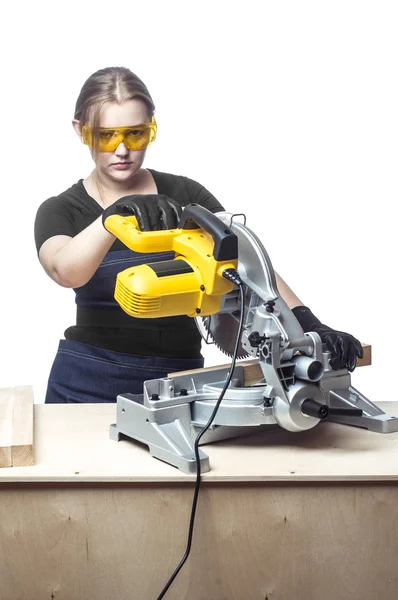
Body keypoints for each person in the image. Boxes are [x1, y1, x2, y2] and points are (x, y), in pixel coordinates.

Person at [34, 66, 363, 404]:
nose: (122, 150)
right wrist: (111, 218)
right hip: (84, 383)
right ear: (81, 130)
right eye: (106, 136)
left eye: (134, 134)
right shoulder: (61, 210)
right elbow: (66, 270)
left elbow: (250, 267)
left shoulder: (186, 194)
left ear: (152, 128)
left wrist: (310, 325)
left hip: (179, 380)